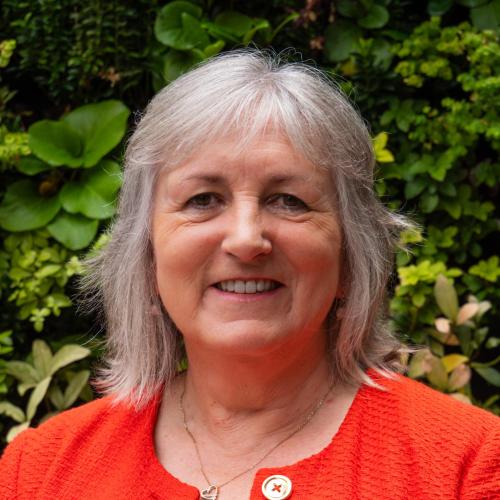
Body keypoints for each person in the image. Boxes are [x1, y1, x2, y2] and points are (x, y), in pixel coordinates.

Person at [1, 50, 498, 500]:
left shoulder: (467, 467)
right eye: (203, 200)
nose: (245, 239)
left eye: (289, 200)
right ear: (147, 252)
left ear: (351, 253)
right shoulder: (37, 474)